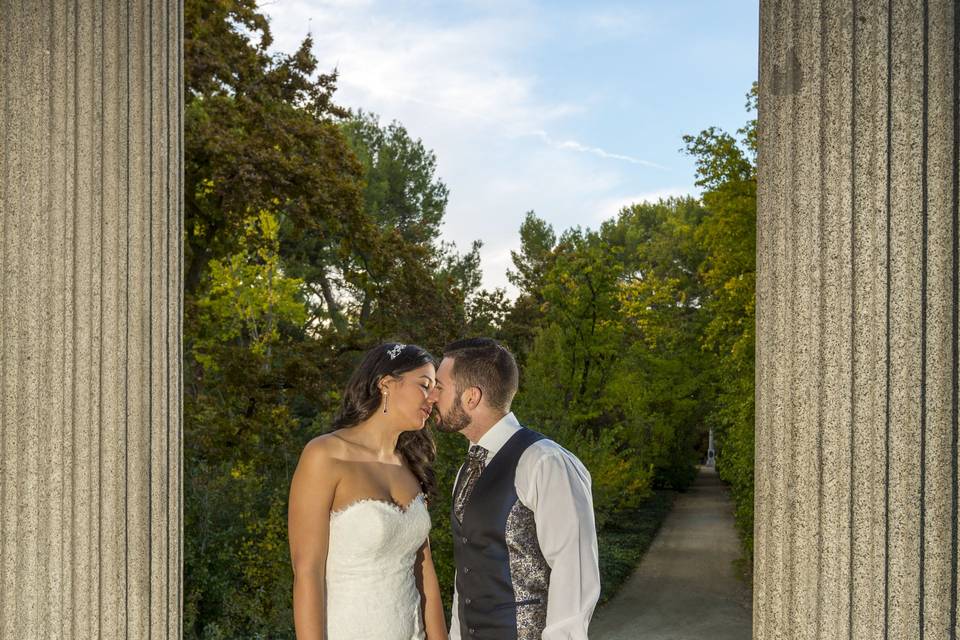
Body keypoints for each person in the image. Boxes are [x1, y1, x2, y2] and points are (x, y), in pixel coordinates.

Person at [427, 338, 600, 640]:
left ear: (471, 397)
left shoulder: (545, 462)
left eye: (439, 387)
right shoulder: (468, 467)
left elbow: (575, 572)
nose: (431, 396)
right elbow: (467, 572)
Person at [288, 342, 448, 640]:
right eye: (425, 385)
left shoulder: (410, 463)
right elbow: (307, 572)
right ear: (386, 384)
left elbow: (424, 571)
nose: (434, 397)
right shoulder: (325, 455)